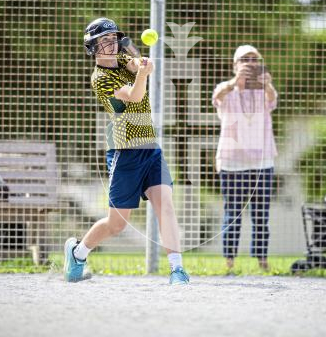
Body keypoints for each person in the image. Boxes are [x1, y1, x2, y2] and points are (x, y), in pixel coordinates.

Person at [64, 18, 189, 285]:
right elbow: (132, 95)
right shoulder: (100, 78)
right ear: (93, 48)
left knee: (165, 205)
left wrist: (142, 64)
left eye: (112, 39)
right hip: (125, 152)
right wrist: (143, 73)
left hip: (150, 148)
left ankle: (177, 270)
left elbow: (136, 64)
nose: (111, 44)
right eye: (103, 41)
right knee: (117, 224)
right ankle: (78, 253)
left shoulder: (122, 59)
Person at [212, 45, 278, 271]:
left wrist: (267, 83)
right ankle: (229, 262)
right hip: (232, 162)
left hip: (262, 162)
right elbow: (217, 97)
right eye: (245, 59)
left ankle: (262, 261)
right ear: (235, 64)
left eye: (254, 59)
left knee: (261, 214)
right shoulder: (225, 88)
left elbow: (272, 100)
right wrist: (234, 82)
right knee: (233, 213)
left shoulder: (264, 88)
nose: (250, 62)